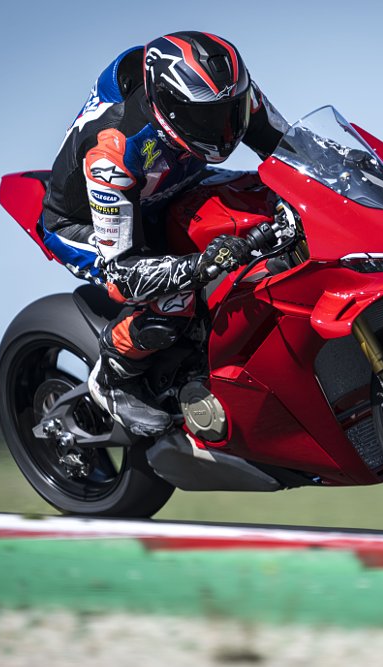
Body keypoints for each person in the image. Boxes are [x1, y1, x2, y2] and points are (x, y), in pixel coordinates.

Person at [40, 31, 289, 436]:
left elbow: (291, 153)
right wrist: (201, 264)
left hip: (171, 186)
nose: (223, 128)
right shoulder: (115, 149)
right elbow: (126, 276)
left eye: (229, 111)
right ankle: (114, 376)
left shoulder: (233, 97)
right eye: (206, 118)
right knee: (175, 296)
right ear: (168, 108)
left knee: (270, 205)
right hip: (87, 222)